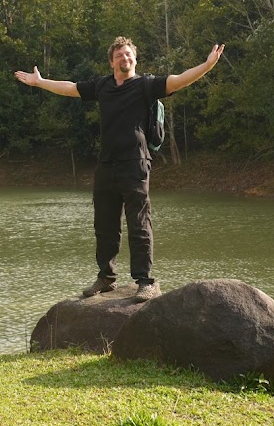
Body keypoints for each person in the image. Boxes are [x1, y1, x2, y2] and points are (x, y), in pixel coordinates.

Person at [15, 37, 225, 301]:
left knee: (139, 223)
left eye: (128, 55)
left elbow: (180, 79)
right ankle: (106, 278)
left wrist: (206, 66)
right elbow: (70, 88)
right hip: (106, 165)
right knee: (104, 225)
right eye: (119, 56)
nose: (125, 59)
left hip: (135, 163)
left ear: (134, 59)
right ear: (112, 61)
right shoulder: (103, 86)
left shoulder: (145, 85)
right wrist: (40, 82)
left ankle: (145, 281)